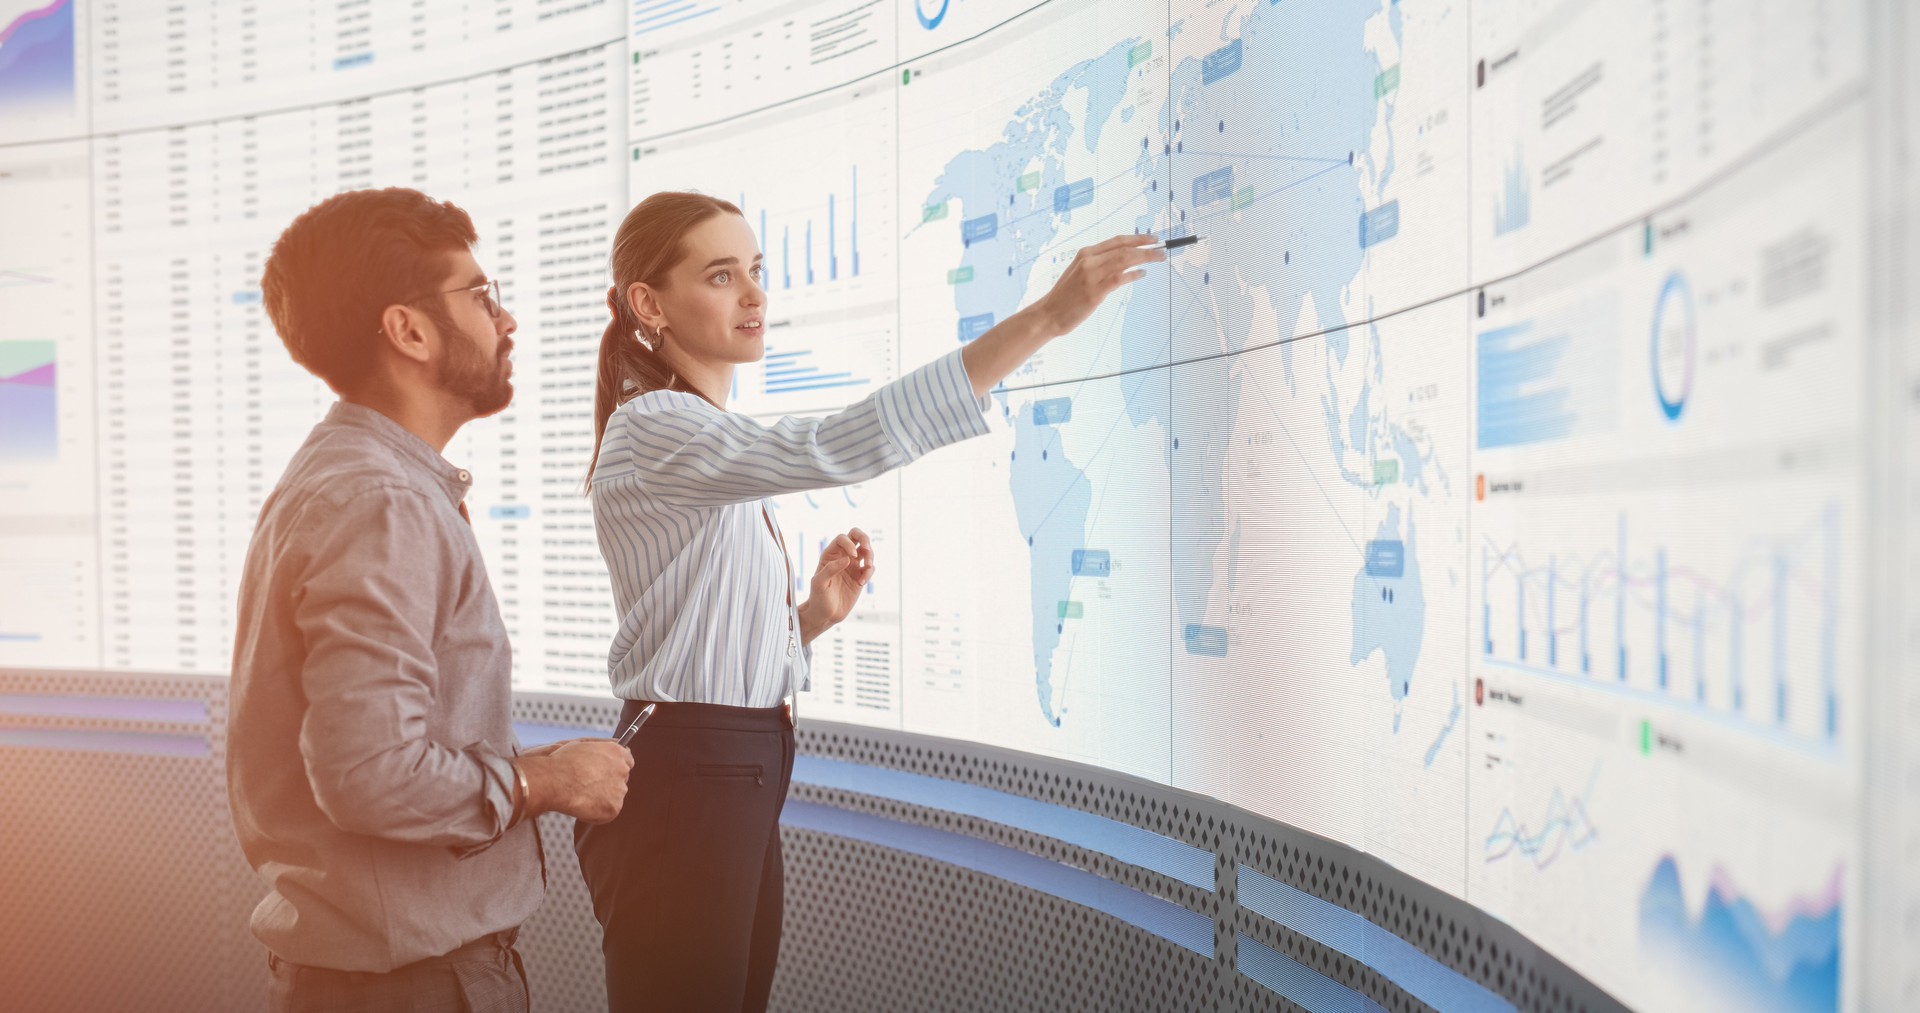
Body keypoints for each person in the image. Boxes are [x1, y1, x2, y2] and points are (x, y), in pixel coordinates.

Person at [573, 189, 1164, 1011]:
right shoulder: (657, 427)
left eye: (756, 270)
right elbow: (833, 444)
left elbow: (697, 639)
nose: (754, 294)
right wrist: (1046, 319)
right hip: (692, 777)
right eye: (720, 275)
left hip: (729, 769)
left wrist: (809, 618)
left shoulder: (698, 433)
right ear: (649, 304)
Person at [228, 186, 635, 1013]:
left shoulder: (352, 480)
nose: (507, 319)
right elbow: (370, 773)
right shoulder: (381, 501)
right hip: (409, 990)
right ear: (408, 330)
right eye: (482, 295)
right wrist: (545, 782)